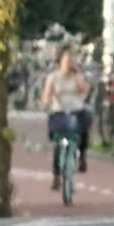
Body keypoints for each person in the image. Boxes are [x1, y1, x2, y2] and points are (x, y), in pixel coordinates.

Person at [39, 46, 92, 186]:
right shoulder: (53, 78)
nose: (69, 63)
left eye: (72, 61)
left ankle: (82, 157)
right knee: (60, 142)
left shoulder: (77, 77)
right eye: (67, 60)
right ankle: (56, 174)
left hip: (76, 111)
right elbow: (47, 95)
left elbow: (86, 89)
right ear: (60, 62)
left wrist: (78, 75)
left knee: (85, 124)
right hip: (60, 113)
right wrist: (46, 102)